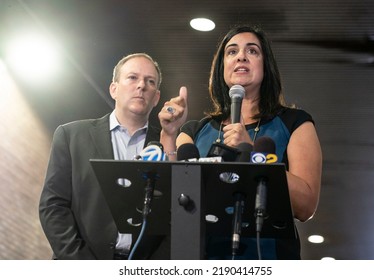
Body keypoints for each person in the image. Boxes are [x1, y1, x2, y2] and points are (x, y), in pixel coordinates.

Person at [176, 25, 322, 259]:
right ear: (222, 66)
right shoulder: (193, 132)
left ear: (266, 66)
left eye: (252, 51)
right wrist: (168, 133)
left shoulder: (295, 123)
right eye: (232, 52)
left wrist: (253, 154)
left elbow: (306, 205)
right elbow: (172, 199)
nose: (241, 56)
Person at [39, 53, 188, 259]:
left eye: (150, 81)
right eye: (132, 77)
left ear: (156, 98)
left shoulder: (168, 145)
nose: (141, 85)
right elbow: (53, 206)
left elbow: (177, 218)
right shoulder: (71, 136)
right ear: (114, 89)